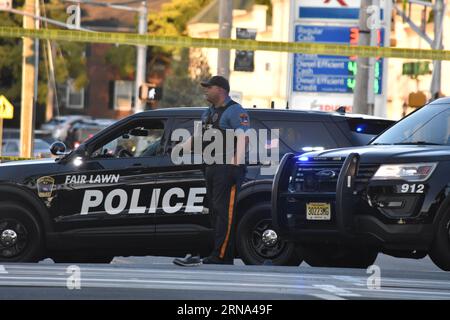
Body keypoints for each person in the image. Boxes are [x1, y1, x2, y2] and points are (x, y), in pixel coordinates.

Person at [173, 75, 250, 266]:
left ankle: (222, 256)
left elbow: (245, 137)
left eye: (209, 87)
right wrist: (179, 148)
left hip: (227, 168)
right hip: (211, 167)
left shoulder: (235, 111)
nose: (205, 90)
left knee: (225, 213)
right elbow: (197, 138)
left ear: (221, 90)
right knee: (215, 211)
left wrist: (235, 163)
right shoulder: (207, 113)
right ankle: (218, 253)